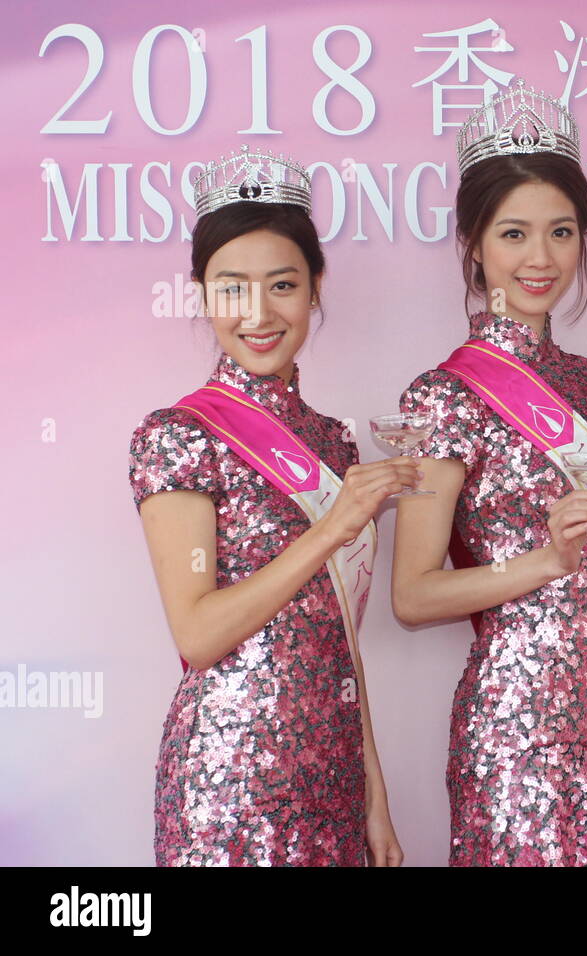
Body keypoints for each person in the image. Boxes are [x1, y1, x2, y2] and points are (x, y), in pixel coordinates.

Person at [391, 80, 587, 866]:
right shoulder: (444, 396)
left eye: (561, 232)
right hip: (515, 722)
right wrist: (544, 562)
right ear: (473, 243)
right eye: (513, 234)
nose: (540, 259)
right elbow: (412, 594)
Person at [128, 146, 412, 866]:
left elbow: (340, 636)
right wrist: (335, 527)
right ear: (202, 294)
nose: (258, 314)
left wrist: (375, 794)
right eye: (231, 288)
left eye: (282, 285)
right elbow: (198, 634)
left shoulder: (333, 445)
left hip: (334, 775)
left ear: (315, 289)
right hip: (229, 780)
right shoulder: (180, 434)